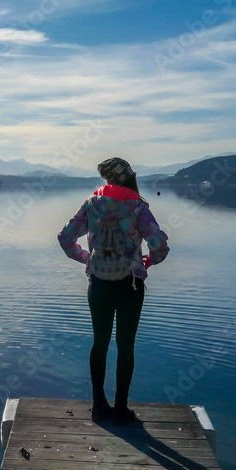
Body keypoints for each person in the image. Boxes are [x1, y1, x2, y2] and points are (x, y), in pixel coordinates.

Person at [57, 157, 169, 424]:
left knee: (100, 343)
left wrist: (86, 258)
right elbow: (159, 245)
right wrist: (149, 261)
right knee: (125, 346)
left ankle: (98, 405)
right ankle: (120, 408)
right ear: (129, 177)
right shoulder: (138, 207)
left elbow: (65, 237)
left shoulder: (91, 204)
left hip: (98, 283)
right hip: (130, 284)